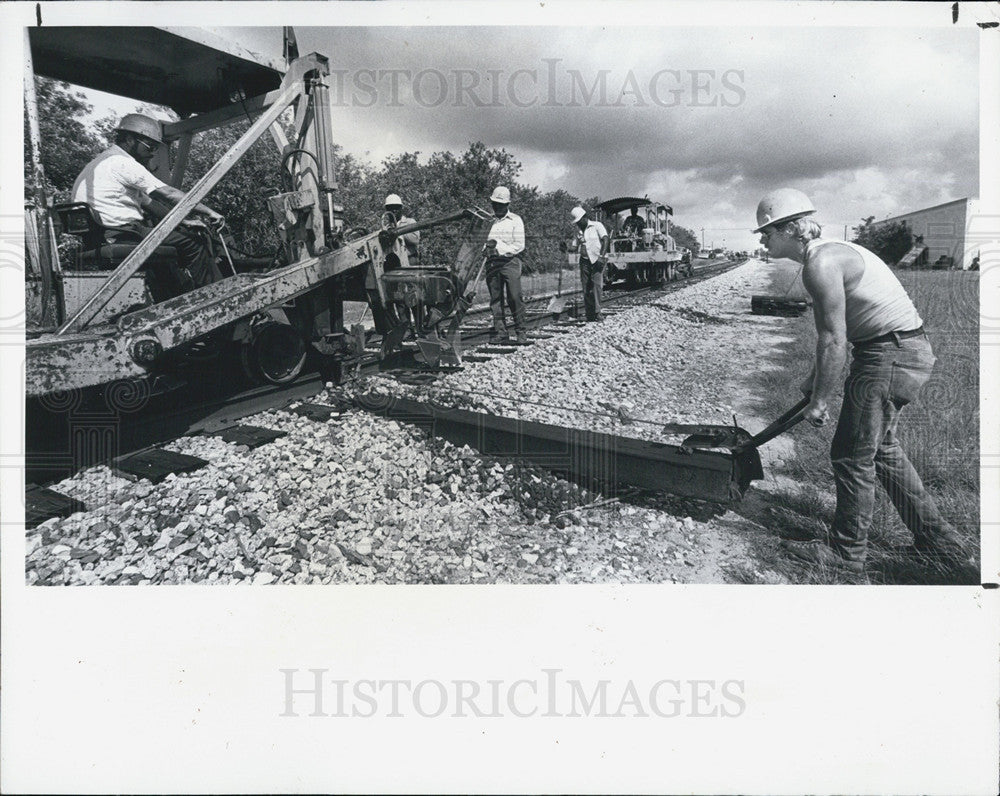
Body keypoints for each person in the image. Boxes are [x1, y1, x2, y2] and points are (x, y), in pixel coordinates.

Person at [754, 188, 973, 574]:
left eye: (767, 231)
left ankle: (846, 555)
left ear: (791, 229)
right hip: (899, 350)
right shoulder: (832, 252)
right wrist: (813, 380)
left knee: (850, 455)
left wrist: (819, 400)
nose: (762, 238)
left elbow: (834, 339)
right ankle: (943, 545)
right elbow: (839, 333)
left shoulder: (819, 265)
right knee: (882, 451)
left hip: (887, 355)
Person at [71, 113, 224, 303]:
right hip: (124, 233)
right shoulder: (122, 163)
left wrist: (184, 221)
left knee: (170, 245)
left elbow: (149, 204)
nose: (152, 153)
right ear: (129, 139)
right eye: (149, 146)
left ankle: (172, 301)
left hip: (104, 234)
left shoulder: (101, 162)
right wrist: (209, 212)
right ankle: (218, 297)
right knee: (194, 243)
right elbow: (168, 193)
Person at [484, 186, 527, 344]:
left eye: (500, 204)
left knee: (515, 296)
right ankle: (501, 332)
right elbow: (481, 241)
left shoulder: (516, 220)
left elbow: (519, 245)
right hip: (492, 263)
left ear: (507, 205)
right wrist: (486, 249)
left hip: (510, 262)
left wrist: (498, 249)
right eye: (495, 204)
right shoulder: (488, 221)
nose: (497, 207)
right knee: (495, 299)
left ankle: (521, 331)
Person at [571, 206, 610, 322]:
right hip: (584, 261)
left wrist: (601, 256)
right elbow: (574, 246)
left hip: (597, 260)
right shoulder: (578, 231)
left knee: (596, 286)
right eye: (576, 222)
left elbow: (606, 239)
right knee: (586, 287)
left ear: (584, 218)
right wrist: (566, 248)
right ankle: (589, 313)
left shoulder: (597, 225)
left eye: (579, 221)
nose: (578, 224)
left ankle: (597, 312)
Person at [384, 193, 420, 264]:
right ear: (387, 210)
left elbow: (415, 239)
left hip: (410, 260)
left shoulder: (410, 222)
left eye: (396, 207)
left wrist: (398, 232)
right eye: (390, 208)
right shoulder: (386, 227)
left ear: (401, 209)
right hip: (394, 262)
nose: (394, 210)